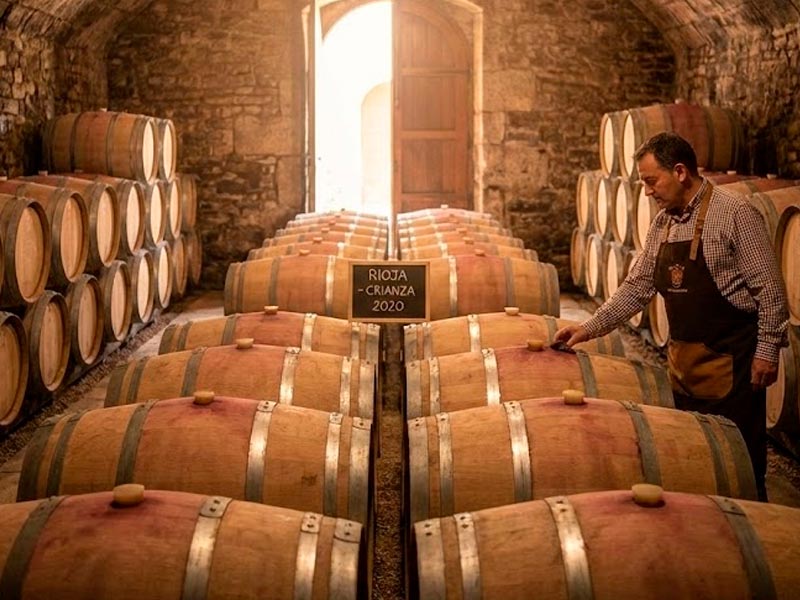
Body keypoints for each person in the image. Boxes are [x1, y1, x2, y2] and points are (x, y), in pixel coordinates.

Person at [555, 132, 788, 501]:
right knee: (695, 465)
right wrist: (587, 329)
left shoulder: (735, 213)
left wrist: (767, 351)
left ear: (680, 172)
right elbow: (637, 287)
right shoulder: (664, 224)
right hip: (684, 367)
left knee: (739, 470)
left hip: (733, 366)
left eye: (651, 181)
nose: (647, 192)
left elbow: (770, 290)